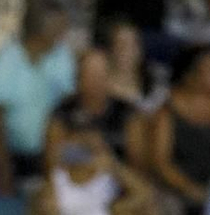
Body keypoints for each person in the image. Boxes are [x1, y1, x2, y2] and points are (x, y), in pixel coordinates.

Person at [0, 0, 77, 214]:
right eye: (59, 27)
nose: (64, 33)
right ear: (42, 28)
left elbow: (68, 107)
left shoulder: (62, 56)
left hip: (53, 150)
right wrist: (4, 169)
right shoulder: (7, 59)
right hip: (11, 153)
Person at [32, 137, 153, 215]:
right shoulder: (56, 183)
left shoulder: (107, 176)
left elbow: (145, 193)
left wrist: (115, 166)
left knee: (125, 214)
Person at [45, 42, 140, 173]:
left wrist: (111, 162)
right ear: (78, 78)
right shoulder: (63, 111)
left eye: (100, 74)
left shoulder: (127, 111)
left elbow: (138, 164)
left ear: (110, 77)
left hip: (119, 183)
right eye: (89, 74)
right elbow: (51, 163)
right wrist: (80, 141)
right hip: (76, 182)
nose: (95, 81)